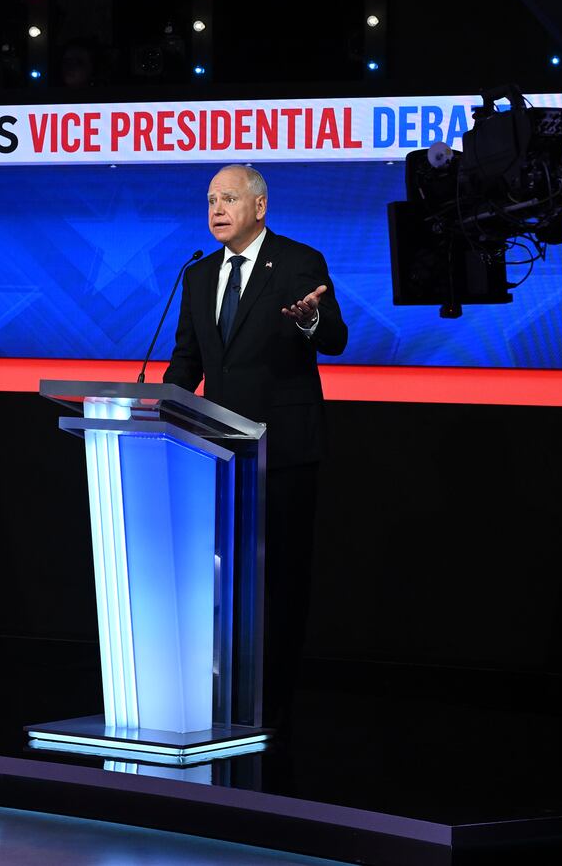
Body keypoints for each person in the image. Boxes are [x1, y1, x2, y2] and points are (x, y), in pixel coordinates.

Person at [163, 164, 348, 727]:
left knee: (283, 579)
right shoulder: (198, 275)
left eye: (229, 199)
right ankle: (225, 693)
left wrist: (311, 321)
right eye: (211, 200)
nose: (217, 209)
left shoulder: (298, 262)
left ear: (259, 206)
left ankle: (278, 703)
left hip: (283, 451)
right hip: (216, 452)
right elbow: (189, 358)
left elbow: (336, 339)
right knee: (222, 580)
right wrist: (157, 406)